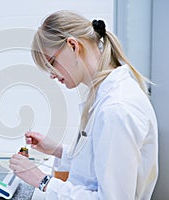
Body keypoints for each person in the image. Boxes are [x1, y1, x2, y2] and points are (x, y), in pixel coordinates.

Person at [9, 10, 158, 199]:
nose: (52, 75)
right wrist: (57, 150)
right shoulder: (104, 95)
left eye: (51, 63)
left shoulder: (117, 109)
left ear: (72, 45)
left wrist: (42, 180)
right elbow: (97, 167)